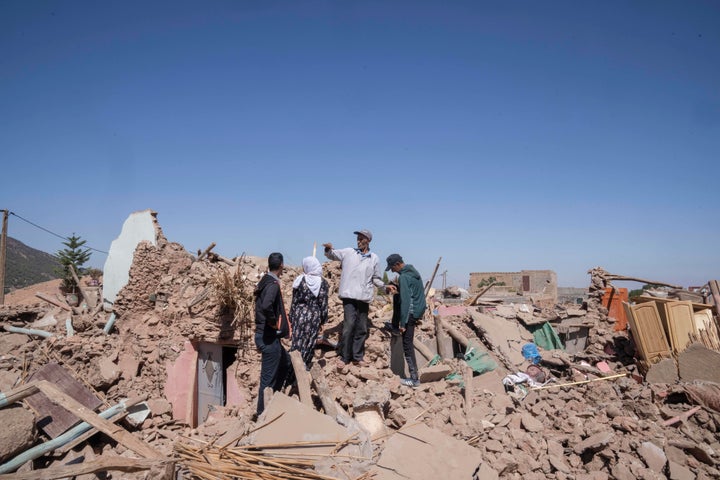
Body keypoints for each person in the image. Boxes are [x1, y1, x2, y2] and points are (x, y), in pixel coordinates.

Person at [323, 229, 387, 367]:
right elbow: (332, 255)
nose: (358, 241)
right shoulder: (348, 252)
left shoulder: (374, 258)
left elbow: (376, 278)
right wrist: (328, 249)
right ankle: (345, 357)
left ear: (368, 241)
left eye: (361, 239)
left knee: (362, 327)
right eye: (357, 239)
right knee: (349, 325)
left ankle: (358, 357)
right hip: (349, 296)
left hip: (364, 297)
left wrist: (385, 288)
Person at [254, 252, 291, 416]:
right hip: (268, 337)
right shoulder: (273, 284)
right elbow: (267, 305)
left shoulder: (264, 280)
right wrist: (273, 322)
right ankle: (262, 413)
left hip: (268, 337)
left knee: (286, 363)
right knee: (267, 380)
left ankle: (275, 400)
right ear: (281, 265)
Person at [386, 253, 426, 388]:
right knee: (397, 297)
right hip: (418, 311)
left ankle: (414, 379)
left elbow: (406, 301)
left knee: (407, 344)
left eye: (392, 267)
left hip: (410, 312)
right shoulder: (413, 273)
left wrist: (403, 323)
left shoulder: (403, 277)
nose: (392, 271)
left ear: (398, 264)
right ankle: (395, 327)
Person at [289, 256, 329, 368]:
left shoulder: (299, 280)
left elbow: (294, 301)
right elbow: (323, 303)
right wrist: (323, 320)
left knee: (296, 342)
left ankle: (292, 371)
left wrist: (292, 317)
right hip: (314, 318)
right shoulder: (323, 283)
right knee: (309, 343)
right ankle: (304, 367)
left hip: (299, 315)